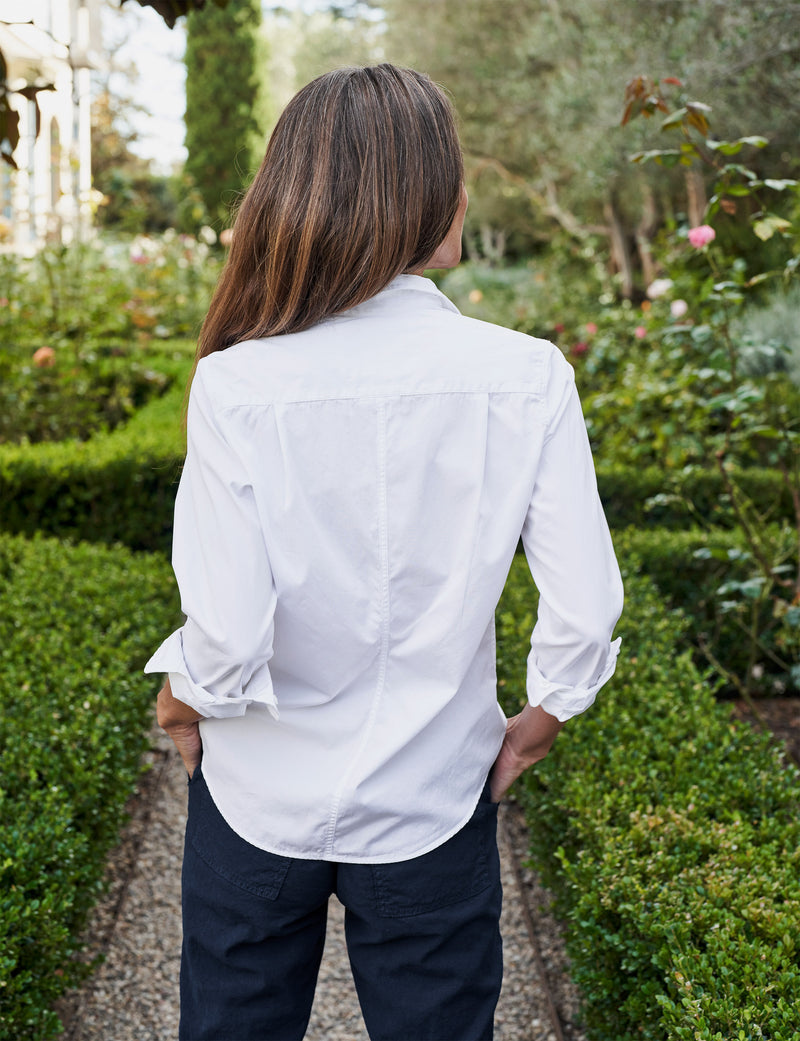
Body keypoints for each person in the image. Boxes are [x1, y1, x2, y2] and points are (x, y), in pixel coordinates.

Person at [145, 63, 623, 1041]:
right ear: (423, 198)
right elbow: (582, 611)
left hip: (253, 800)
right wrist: (541, 718)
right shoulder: (524, 376)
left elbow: (228, 639)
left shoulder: (238, 384)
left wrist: (179, 698)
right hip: (433, 797)